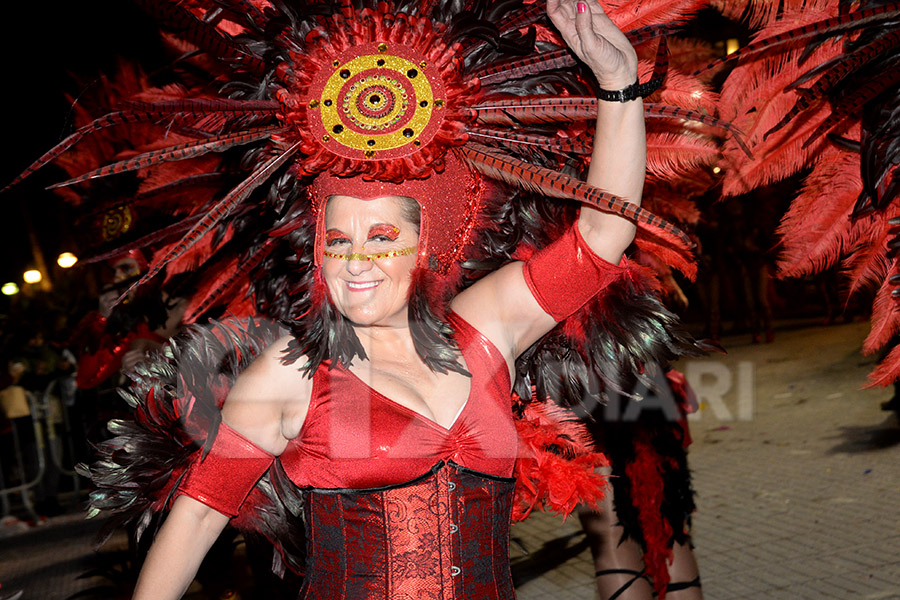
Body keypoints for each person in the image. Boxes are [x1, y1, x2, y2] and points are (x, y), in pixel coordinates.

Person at [125, 1, 650, 598]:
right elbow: (197, 514)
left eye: (381, 238)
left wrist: (616, 81)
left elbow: (604, 236)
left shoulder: (486, 329)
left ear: (425, 248)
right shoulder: (293, 377)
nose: (356, 262)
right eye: (338, 240)